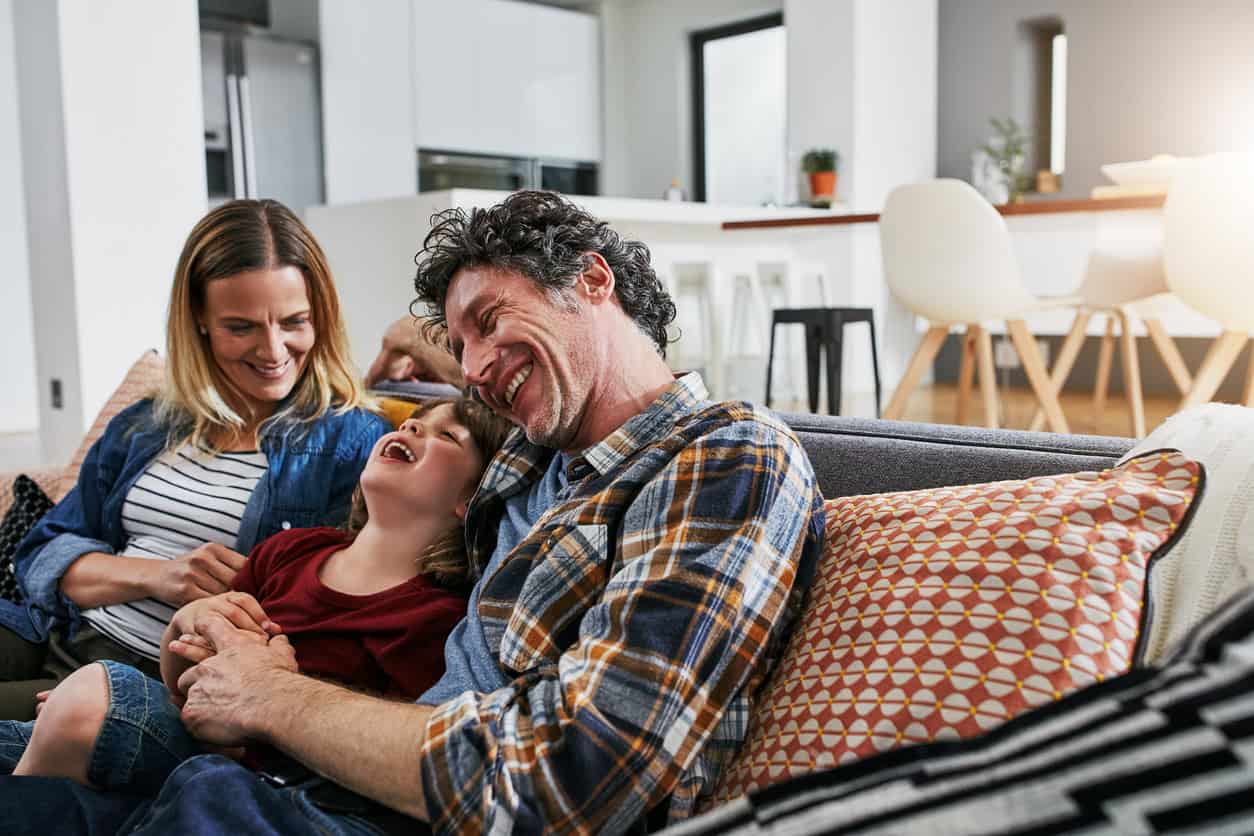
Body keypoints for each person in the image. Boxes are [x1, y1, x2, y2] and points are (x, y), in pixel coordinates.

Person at [0, 190, 826, 835]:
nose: (472, 365)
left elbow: (570, 780)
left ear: (593, 278)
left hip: (388, 805)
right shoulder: (537, 454)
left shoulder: (721, 455)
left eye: (489, 323)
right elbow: (436, 400)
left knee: (200, 791)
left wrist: (269, 698)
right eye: (460, 346)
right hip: (329, 774)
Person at [0, 199, 392, 720]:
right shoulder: (149, 423)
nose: (274, 350)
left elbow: (334, 614)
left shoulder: (353, 442)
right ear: (199, 323)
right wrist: (158, 576)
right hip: (53, 629)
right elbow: (42, 552)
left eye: (294, 321)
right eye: (241, 327)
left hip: (147, 675)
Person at [1, 397, 511, 795]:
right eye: (412, 422)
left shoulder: (434, 619)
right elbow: (182, 681)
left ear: (472, 500)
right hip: (180, 719)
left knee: (91, 695)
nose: (412, 427)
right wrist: (189, 624)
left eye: (447, 434)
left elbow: (372, 752)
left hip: (253, 775)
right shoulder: (291, 549)